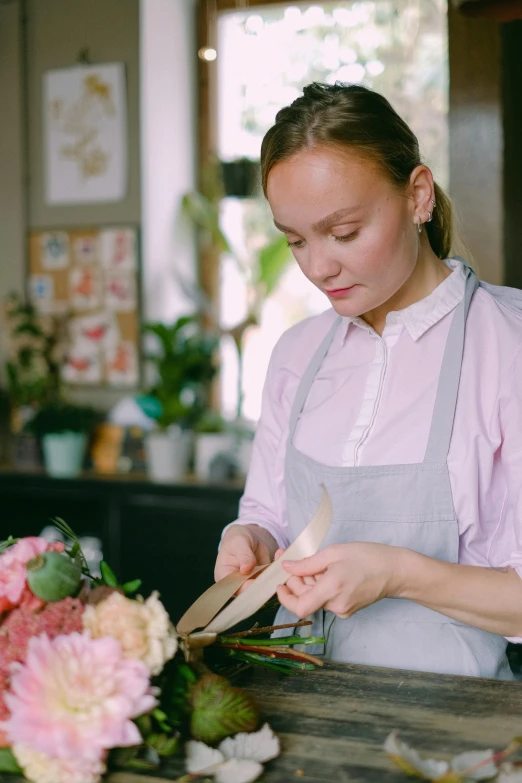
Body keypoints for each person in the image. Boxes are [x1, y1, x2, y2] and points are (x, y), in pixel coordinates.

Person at [214, 82, 522, 679]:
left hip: (462, 732)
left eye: (345, 232)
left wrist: (399, 574)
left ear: (418, 196)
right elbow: (269, 512)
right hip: (301, 711)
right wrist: (250, 536)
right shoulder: (297, 354)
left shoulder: (508, 345)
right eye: (295, 240)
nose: (317, 267)